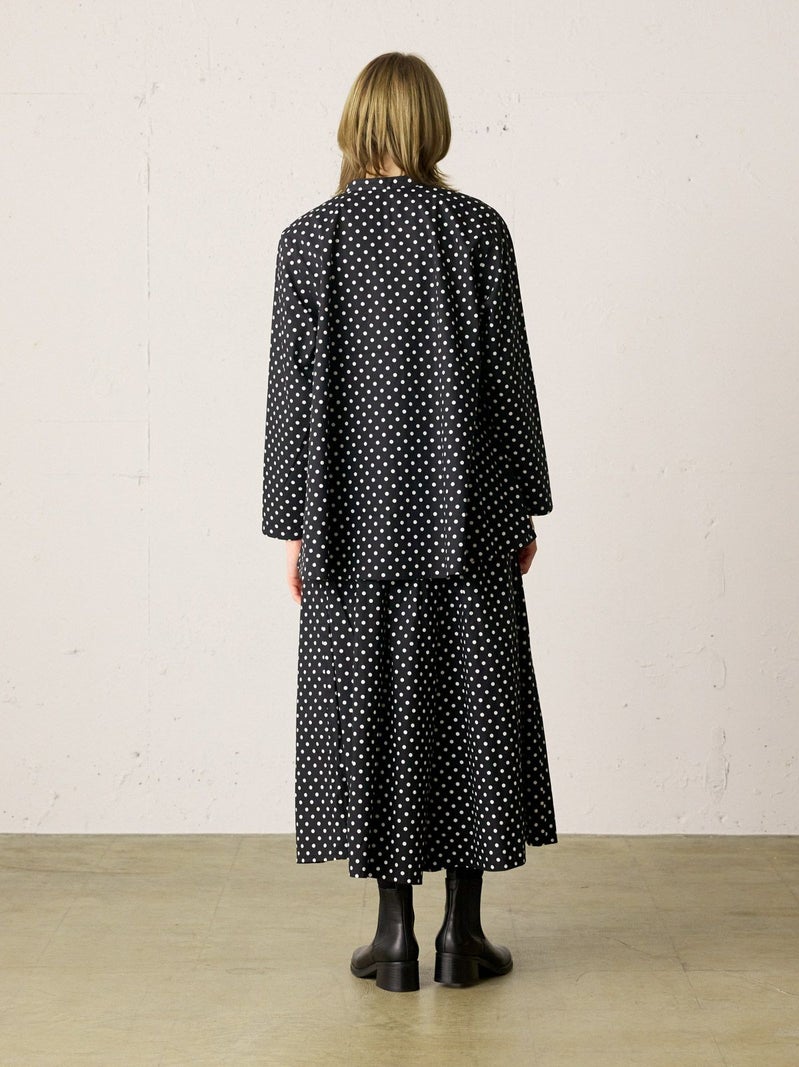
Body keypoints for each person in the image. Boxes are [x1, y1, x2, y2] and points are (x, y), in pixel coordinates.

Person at [261, 51, 558, 993]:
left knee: (371, 709)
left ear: (355, 124)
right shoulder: (477, 230)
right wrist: (525, 502)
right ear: (433, 125)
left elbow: (291, 402)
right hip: (467, 514)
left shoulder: (308, 241)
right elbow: (509, 382)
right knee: (473, 709)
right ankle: (462, 937)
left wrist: (293, 524)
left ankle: (393, 935)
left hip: (349, 523)